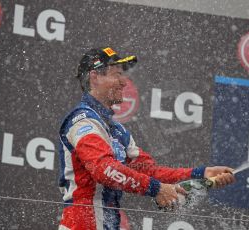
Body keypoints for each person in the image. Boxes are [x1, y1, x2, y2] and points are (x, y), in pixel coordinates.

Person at [58, 47, 235, 230]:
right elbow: (104, 169)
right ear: (94, 77)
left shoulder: (117, 130)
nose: (124, 82)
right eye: (117, 74)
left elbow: (149, 171)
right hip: (80, 224)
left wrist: (200, 173)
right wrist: (156, 189)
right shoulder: (82, 121)